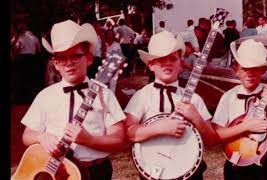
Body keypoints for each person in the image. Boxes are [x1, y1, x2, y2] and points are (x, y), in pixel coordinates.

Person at [20, 19, 126, 180]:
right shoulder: (45, 96)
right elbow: (27, 135)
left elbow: (118, 140)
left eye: (75, 56)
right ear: (55, 63)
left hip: (95, 171)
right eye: (62, 58)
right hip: (56, 172)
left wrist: (89, 140)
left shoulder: (104, 95)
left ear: (89, 58)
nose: (68, 63)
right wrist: (41, 137)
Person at [124, 31, 218, 179]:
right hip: (152, 170)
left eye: (173, 59)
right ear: (151, 65)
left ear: (180, 64)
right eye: (161, 59)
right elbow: (129, 133)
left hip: (189, 173)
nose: (167, 63)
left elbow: (212, 140)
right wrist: (160, 128)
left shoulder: (194, 99)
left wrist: (196, 118)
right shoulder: (142, 96)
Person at [212, 39, 267, 180]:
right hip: (234, 159)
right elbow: (217, 135)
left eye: (255, 68)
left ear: (263, 70)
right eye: (244, 68)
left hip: (263, 160)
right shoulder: (229, 97)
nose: (250, 73)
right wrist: (246, 126)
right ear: (236, 70)